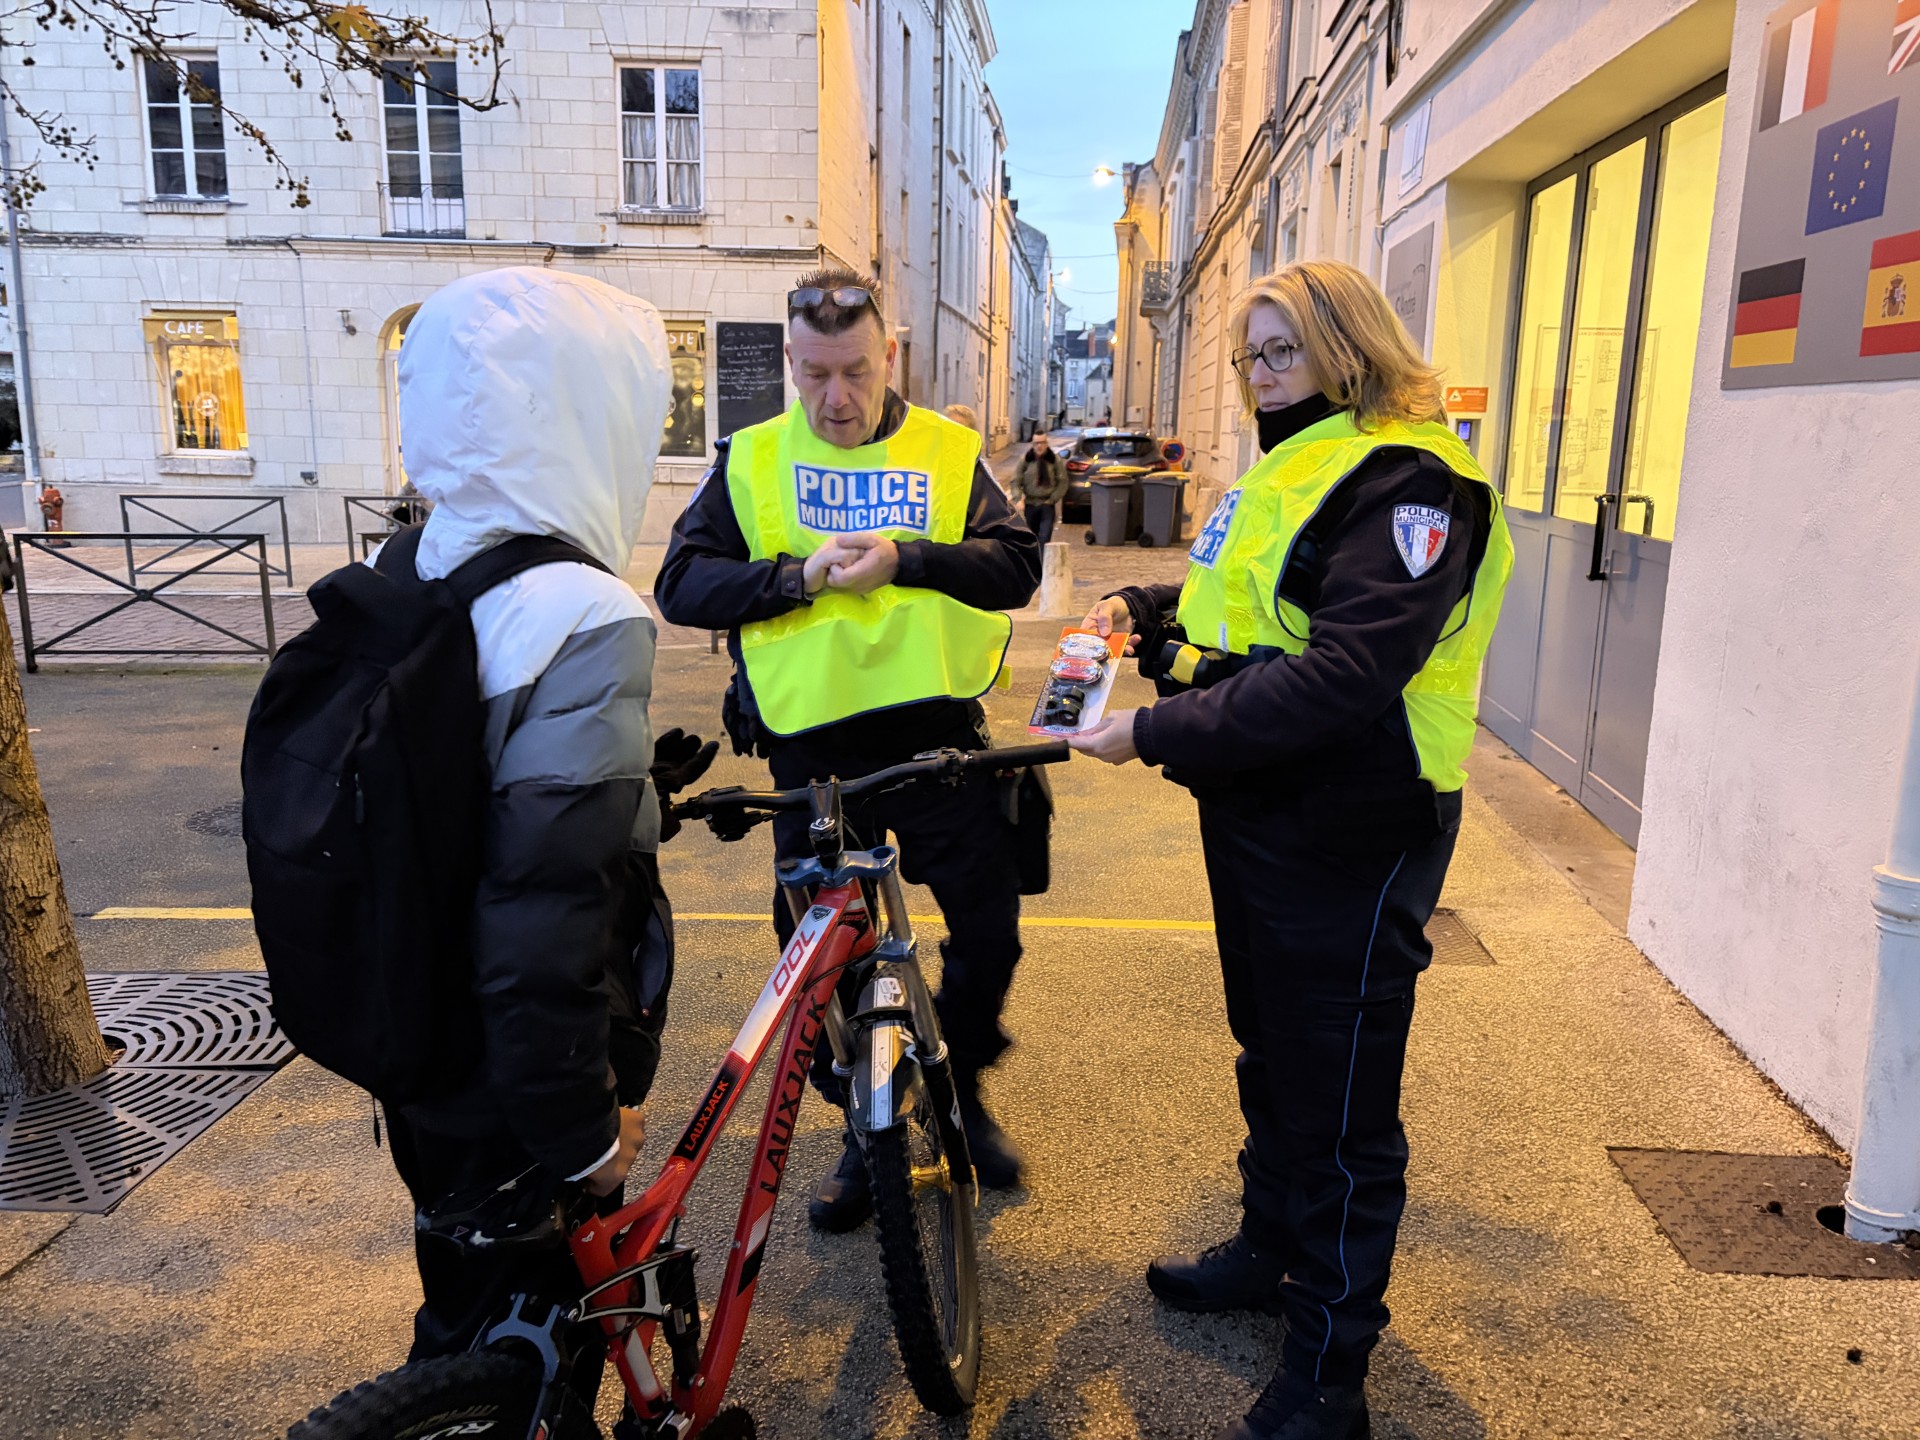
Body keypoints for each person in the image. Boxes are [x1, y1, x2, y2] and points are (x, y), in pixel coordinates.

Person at [1068, 260, 1513, 1440]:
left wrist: (1149, 730)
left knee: (1343, 1097)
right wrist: (1151, 610)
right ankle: (1272, 1248)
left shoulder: (1415, 479)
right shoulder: (1296, 461)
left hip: (1357, 820)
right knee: (1270, 1047)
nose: (1261, 377)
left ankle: (1328, 1371)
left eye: (1281, 353)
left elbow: (1348, 671)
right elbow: (1258, 603)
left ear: (1348, 349)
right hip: (1266, 804)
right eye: (1248, 358)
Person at [654, 265, 1042, 1230]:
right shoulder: (750, 457)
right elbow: (682, 585)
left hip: (938, 745)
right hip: (811, 760)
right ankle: (861, 1129)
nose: (836, 397)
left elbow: (1018, 568)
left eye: (856, 372)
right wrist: (795, 580)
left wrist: (907, 558)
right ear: (790, 360)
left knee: (989, 934)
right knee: (820, 964)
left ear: (889, 356)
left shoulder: (948, 454)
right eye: (815, 373)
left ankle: (955, 1084)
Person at [376, 268, 709, 1387]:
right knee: (542, 1357)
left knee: (462, 1326)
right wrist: (582, 1132)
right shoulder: (583, 610)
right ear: (588, 412)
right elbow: (544, 916)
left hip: (419, 1044)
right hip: (525, 1080)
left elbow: (466, 802)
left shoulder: (414, 566)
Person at [1006, 428, 1067, 544]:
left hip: (1047, 505)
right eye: (1036, 443)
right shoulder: (1026, 460)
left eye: (1042, 443)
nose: (1039, 446)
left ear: (1046, 444)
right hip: (1030, 504)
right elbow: (1015, 481)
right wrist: (1018, 498)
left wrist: (1052, 499)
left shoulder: (1054, 460)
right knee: (1031, 538)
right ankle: (1034, 561)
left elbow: (1063, 482)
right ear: (1032, 444)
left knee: (1044, 537)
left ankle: (1043, 560)